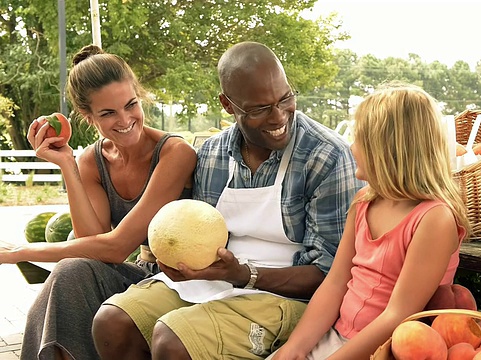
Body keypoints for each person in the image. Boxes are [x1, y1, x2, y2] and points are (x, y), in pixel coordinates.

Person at [91, 41, 364, 359]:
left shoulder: (325, 155)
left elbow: (330, 276)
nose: (279, 117)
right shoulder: (212, 154)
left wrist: (243, 274)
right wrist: (175, 259)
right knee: (113, 322)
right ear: (228, 105)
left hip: (291, 299)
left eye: (286, 98)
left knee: (173, 341)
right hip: (218, 279)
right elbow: (192, 232)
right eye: (259, 109)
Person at [0, 45, 196, 360]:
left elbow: (116, 248)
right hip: (139, 275)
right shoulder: (93, 159)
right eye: (108, 113)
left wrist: (19, 253)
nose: (125, 120)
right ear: (87, 116)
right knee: (72, 273)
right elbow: (93, 242)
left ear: (139, 95)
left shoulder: (175, 153)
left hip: (184, 281)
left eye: (131, 104)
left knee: (68, 274)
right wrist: (68, 164)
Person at [269, 82, 472, 360]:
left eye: (360, 139)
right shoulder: (365, 201)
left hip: (385, 350)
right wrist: (294, 349)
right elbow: (336, 283)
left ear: (387, 150)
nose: (352, 147)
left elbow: (398, 315)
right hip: (337, 338)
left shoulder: (434, 219)